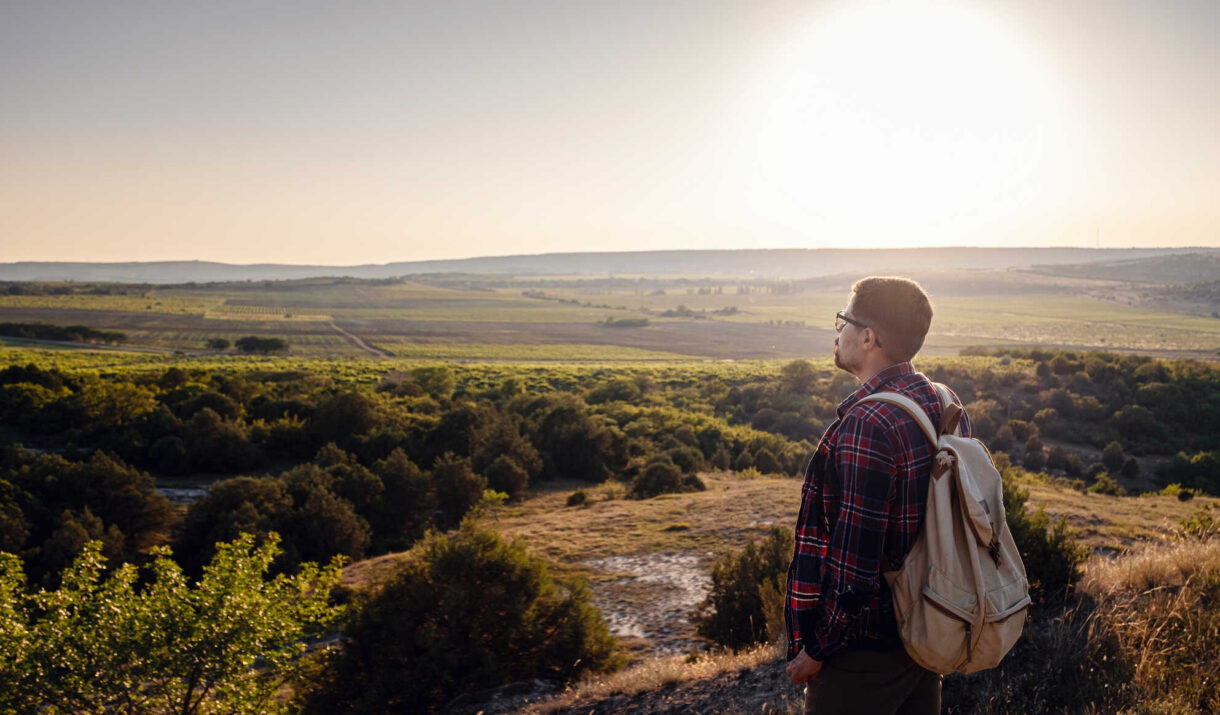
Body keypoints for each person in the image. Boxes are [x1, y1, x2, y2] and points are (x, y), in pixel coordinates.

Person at [784, 276, 971, 715]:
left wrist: (818, 648)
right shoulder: (943, 401)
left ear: (868, 338)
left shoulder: (868, 424)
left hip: (863, 653)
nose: (837, 331)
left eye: (843, 320)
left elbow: (855, 568)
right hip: (926, 632)